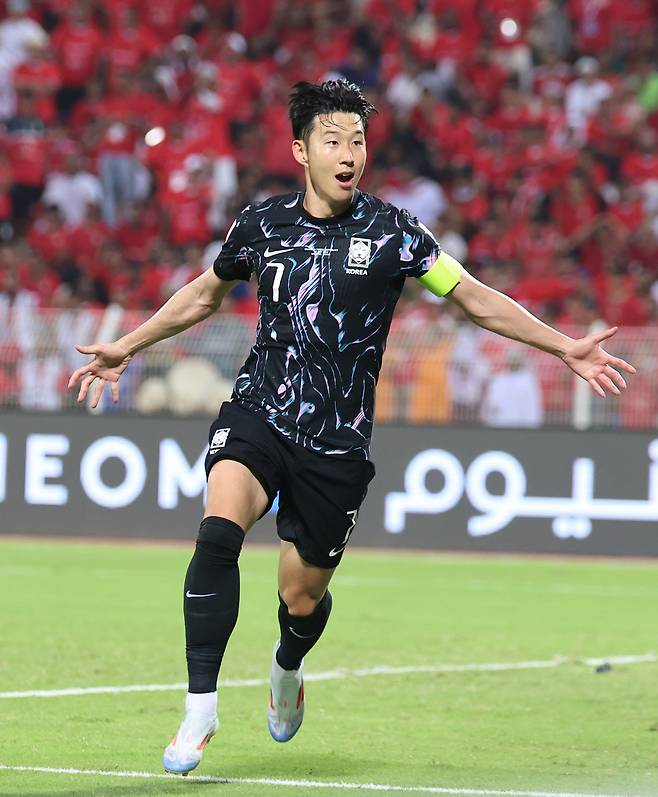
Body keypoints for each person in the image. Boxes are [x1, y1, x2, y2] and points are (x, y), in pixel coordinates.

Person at [67, 79, 635, 776]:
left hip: (337, 445)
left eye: (357, 140)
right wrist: (128, 341)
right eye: (332, 140)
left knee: (300, 595)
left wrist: (564, 345)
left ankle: (286, 665)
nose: (348, 153)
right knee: (218, 529)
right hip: (260, 412)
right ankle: (200, 707)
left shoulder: (395, 232)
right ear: (301, 149)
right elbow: (204, 294)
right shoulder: (261, 225)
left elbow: (476, 300)